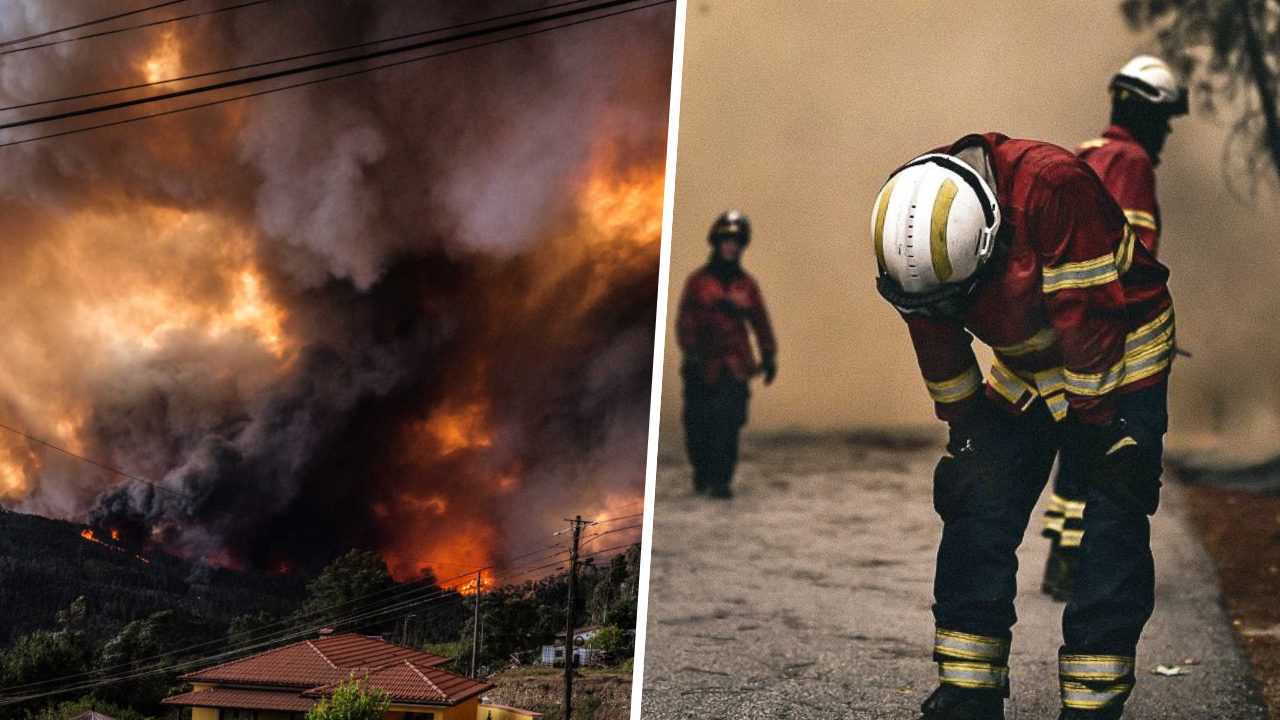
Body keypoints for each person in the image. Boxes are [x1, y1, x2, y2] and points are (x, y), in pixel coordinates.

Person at [871, 134, 1174, 720]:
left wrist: (1099, 433)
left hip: (1120, 359)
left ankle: (1093, 701)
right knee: (975, 499)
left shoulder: (1054, 187)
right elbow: (936, 339)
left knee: (1114, 513)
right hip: (1030, 366)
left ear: (991, 242)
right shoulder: (913, 236)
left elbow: (1088, 320)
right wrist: (964, 437)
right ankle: (969, 690)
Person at [1041, 55, 1188, 600]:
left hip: (1070, 326)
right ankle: (1084, 568)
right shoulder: (1130, 161)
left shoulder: (1087, 155)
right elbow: (1134, 256)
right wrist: (1143, 323)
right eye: (1166, 118)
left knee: (1076, 441)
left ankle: (1062, 556)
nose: (1167, 132)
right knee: (1110, 447)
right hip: (1111, 331)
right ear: (1147, 112)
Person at [676, 210, 777, 499]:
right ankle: (703, 474)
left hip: (734, 367)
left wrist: (768, 356)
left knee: (728, 425)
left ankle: (721, 482)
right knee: (698, 426)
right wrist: (690, 350)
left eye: (737, 242)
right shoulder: (698, 282)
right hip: (701, 366)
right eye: (727, 241)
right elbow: (685, 319)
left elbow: (760, 322)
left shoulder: (747, 286)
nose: (732, 247)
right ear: (717, 243)